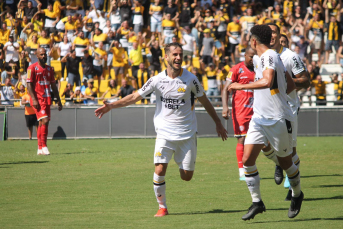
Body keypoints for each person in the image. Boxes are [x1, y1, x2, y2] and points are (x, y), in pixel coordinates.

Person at [95, 42, 228, 217]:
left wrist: (217, 122)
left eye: (180, 54)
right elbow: (135, 96)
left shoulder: (191, 79)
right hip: (164, 133)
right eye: (174, 54)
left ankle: (179, 161)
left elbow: (204, 101)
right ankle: (162, 207)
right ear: (166, 57)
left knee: (186, 176)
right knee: (159, 170)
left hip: (187, 134)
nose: (178, 57)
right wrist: (112, 106)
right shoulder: (157, 80)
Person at [228, 25, 303, 220]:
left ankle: (297, 194)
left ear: (253, 41)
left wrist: (240, 85)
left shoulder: (270, 55)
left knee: (287, 163)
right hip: (259, 118)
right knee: (247, 161)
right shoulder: (260, 59)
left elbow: (268, 81)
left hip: (278, 119)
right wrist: (274, 96)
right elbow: (290, 84)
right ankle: (257, 202)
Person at [265, 23, 310, 200]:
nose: (271, 36)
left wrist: (286, 83)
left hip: (287, 109)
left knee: (290, 152)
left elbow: (306, 81)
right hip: (267, 110)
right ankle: (279, 163)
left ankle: (293, 191)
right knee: (262, 145)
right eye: (268, 33)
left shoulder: (291, 57)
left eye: (274, 32)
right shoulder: (262, 56)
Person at [222, 47, 256, 180]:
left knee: (262, 141)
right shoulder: (236, 69)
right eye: (251, 56)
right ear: (245, 55)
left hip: (257, 110)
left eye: (255, 56)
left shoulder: (260, 70)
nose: (253, 59)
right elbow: (225, 89)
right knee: (241, 139)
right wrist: (225, 107)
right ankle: (242, 170)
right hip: (241, 110)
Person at [26, 47, 62, 155]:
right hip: (37, 99)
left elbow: (54, 87)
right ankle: (44, 146)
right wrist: (33, 99)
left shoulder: (50, 69)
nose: (44, 56)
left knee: (42, 122)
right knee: (45, 120)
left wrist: (59, 100)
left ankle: (40, 148)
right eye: (41, 54)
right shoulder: (31, 68)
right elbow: (28, 84)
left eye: (45, 54)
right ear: (37, 56)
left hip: (47, 99)